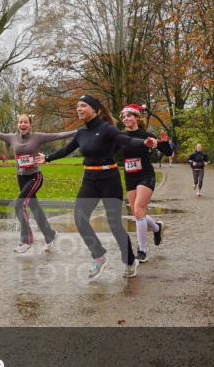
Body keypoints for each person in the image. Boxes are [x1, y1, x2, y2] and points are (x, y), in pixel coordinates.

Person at [36, 95, 157, 280]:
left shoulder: (107, 129)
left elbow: (127, 140)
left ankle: (130, 260)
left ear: (95, 109)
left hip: (110, 180)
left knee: (115, 224)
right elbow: (67, 150)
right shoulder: (81, 133)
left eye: (83, 105)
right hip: (90, 180)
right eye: (77, 106)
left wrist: (144, 142)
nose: (79, 109)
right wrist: (48, 158)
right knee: (80, 218)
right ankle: (98, 256)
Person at [0, 115, 76, 253]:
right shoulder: (11, 137)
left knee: (19, 205)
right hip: (21, 178)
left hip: (35, 177)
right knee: (35, 208)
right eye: (20, 122)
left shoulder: (38, 137)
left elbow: (59, 135)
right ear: (17, 124)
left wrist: (82, 130)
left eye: (26, 122)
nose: (23, 124)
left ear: (30, 124)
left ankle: (26, 240)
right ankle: (50, 235)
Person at [118, 104, 172, 263]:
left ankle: (142, 250)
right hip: (129, 177)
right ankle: (157, 228)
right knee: (137, 212)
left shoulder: (146, 135)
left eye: (129, 115)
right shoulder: (120, 137)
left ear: (137, 118)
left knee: (138, 209)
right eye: (124, 116)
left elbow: (167, 152)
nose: (126, 119)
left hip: (145, 175)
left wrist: (164, 143)